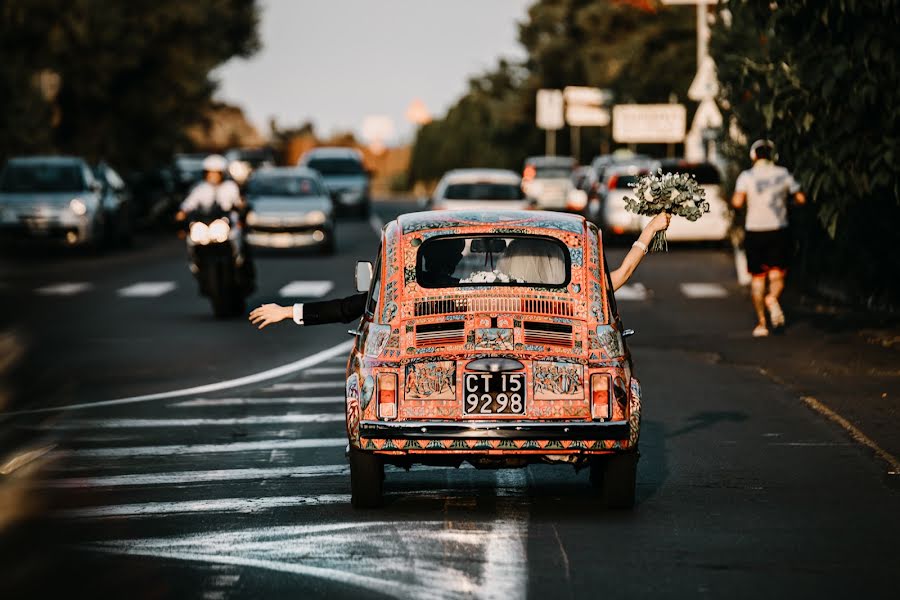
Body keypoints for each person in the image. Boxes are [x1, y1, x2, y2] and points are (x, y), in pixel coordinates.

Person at [248, 214, 671, 329]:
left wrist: (288, 312)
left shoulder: (419, 300)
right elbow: (615, 279)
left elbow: (347, 307)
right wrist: (648, 231)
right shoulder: (563, 298)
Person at [731, 139, 806, 337]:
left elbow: (737, 202)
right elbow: (801, 199)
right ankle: (772, 298)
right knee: (777, 274)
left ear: (753, 156)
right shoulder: (783, 173)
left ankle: (762, 324)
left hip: (754, 230)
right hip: (778, 229)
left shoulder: (746, 176)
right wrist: (786, 202)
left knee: (757, 278)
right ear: (773, 155)